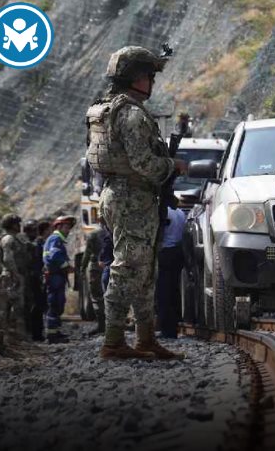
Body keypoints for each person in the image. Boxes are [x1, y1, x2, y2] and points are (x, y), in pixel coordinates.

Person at [85, 45, 186, 360]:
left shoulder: (110, 107)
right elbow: (145, 165)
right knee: (127, 268)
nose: (152, 82)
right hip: (132, 198)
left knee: (144, 271)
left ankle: (145, 339)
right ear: (135, 78)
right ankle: (113, 343)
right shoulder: (131, 114)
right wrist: (173, 166)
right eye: (148, 76)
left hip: (125, 195)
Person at [155, 197, 186, 338]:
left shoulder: (163, 212)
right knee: (174, 292)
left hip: (165, 254)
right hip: (178, 253)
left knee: (163, 293)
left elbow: (159, 232)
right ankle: (173, 328)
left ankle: (166, 329)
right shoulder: (180, 213)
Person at [0, 214, 30, 341]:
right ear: (12, 225)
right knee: (14, 307)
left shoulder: (14, 239)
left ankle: (15, 336)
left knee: (17, 307)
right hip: (11, 277)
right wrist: (16, 275)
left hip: (14, 276)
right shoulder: (8, 239)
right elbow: (8, 259)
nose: (19, 226)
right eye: (17, 224)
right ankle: (12, 336)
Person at [43, 216, 75, 344]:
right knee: (55, 304)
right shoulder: (56, 239)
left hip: (56, 276)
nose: (68, 231)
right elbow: (54, 256)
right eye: (66, 227)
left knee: (58, 303)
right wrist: (66, 266)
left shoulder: (56, 239)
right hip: (55, 276)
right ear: (58, 227)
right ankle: (52, 336)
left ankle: (55, 332)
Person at [21, 219, 46, 341]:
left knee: (37, 305)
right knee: (34, 306)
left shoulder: (31, 243)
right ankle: (34, 333)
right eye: (34, 230)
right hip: (30, 278)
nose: (36, 232)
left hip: (33, 277)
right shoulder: (27, 244)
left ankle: (35, 333)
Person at [80, 226, 106, 335]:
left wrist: (82, 267)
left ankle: (101, 325)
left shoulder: (93, 234)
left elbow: (87, 252)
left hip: (96, 267)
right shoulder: (115, 231)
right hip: (110, 265)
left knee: (96, 297)